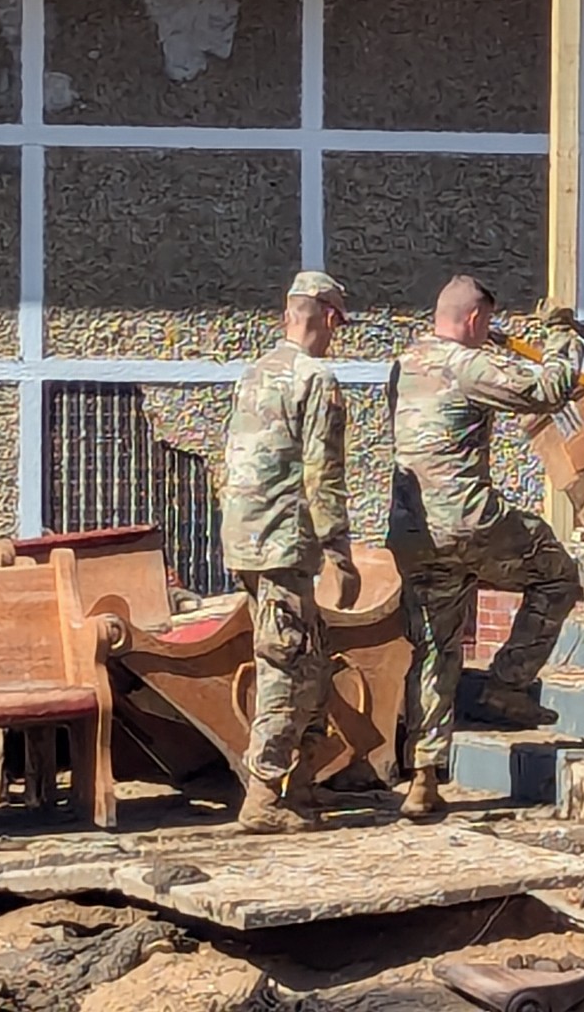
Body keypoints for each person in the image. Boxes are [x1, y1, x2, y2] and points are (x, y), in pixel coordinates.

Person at [388, 276, 584, 818]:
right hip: (469, 522)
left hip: (412, 530)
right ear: (475, 321)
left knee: (434, 646)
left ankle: (423, 778)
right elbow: (549, 390)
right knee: (558, 575)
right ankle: (507, 685)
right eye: (487, 325)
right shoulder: (467, 365)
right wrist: (562, 336)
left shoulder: (407, 365)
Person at [217, 270, 361, 834]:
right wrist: (340, 551)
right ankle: (263, 794)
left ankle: (299, 784)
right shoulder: (315, 379)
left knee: (310, 660)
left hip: (246, 541)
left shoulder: (254, 376)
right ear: (328, 319)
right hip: (284, 545)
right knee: (285, 666)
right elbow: (323, 474)